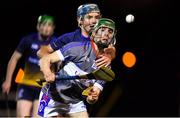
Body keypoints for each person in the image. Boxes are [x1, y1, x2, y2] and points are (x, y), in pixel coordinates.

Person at [38, 18, 117, 117]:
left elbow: (92, 98)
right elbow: (45, 60)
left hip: (75, 103)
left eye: (110, 31)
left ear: (113, 37)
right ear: (94, 32)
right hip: (53, 97)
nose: (106, 34)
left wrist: (92, 97)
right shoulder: (77, 48)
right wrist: (48, 73)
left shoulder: (106, 66)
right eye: (102, 29)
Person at [1, 15, 56, 117]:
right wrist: (8, 81)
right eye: (43, 24)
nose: (46, 28)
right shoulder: (28, 40)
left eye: (49, 25)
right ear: (38, 26)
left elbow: (61, 64)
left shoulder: (56, 43)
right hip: (26, 86)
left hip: (44, 88)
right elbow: (14, 59)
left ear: (53, 28)